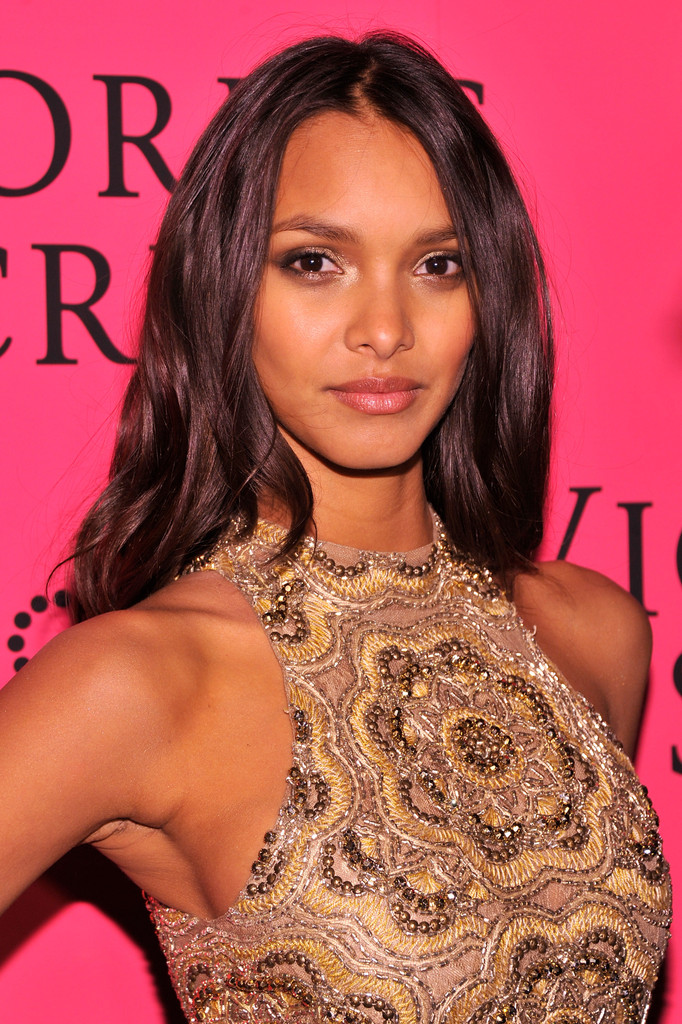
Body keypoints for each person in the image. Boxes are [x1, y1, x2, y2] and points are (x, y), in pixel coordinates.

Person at [0, 31, 671, 1024]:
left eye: (438, 264)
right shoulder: (144, 681)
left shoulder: (593, 633)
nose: (385, 330)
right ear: (225, 286)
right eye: (315, 262)